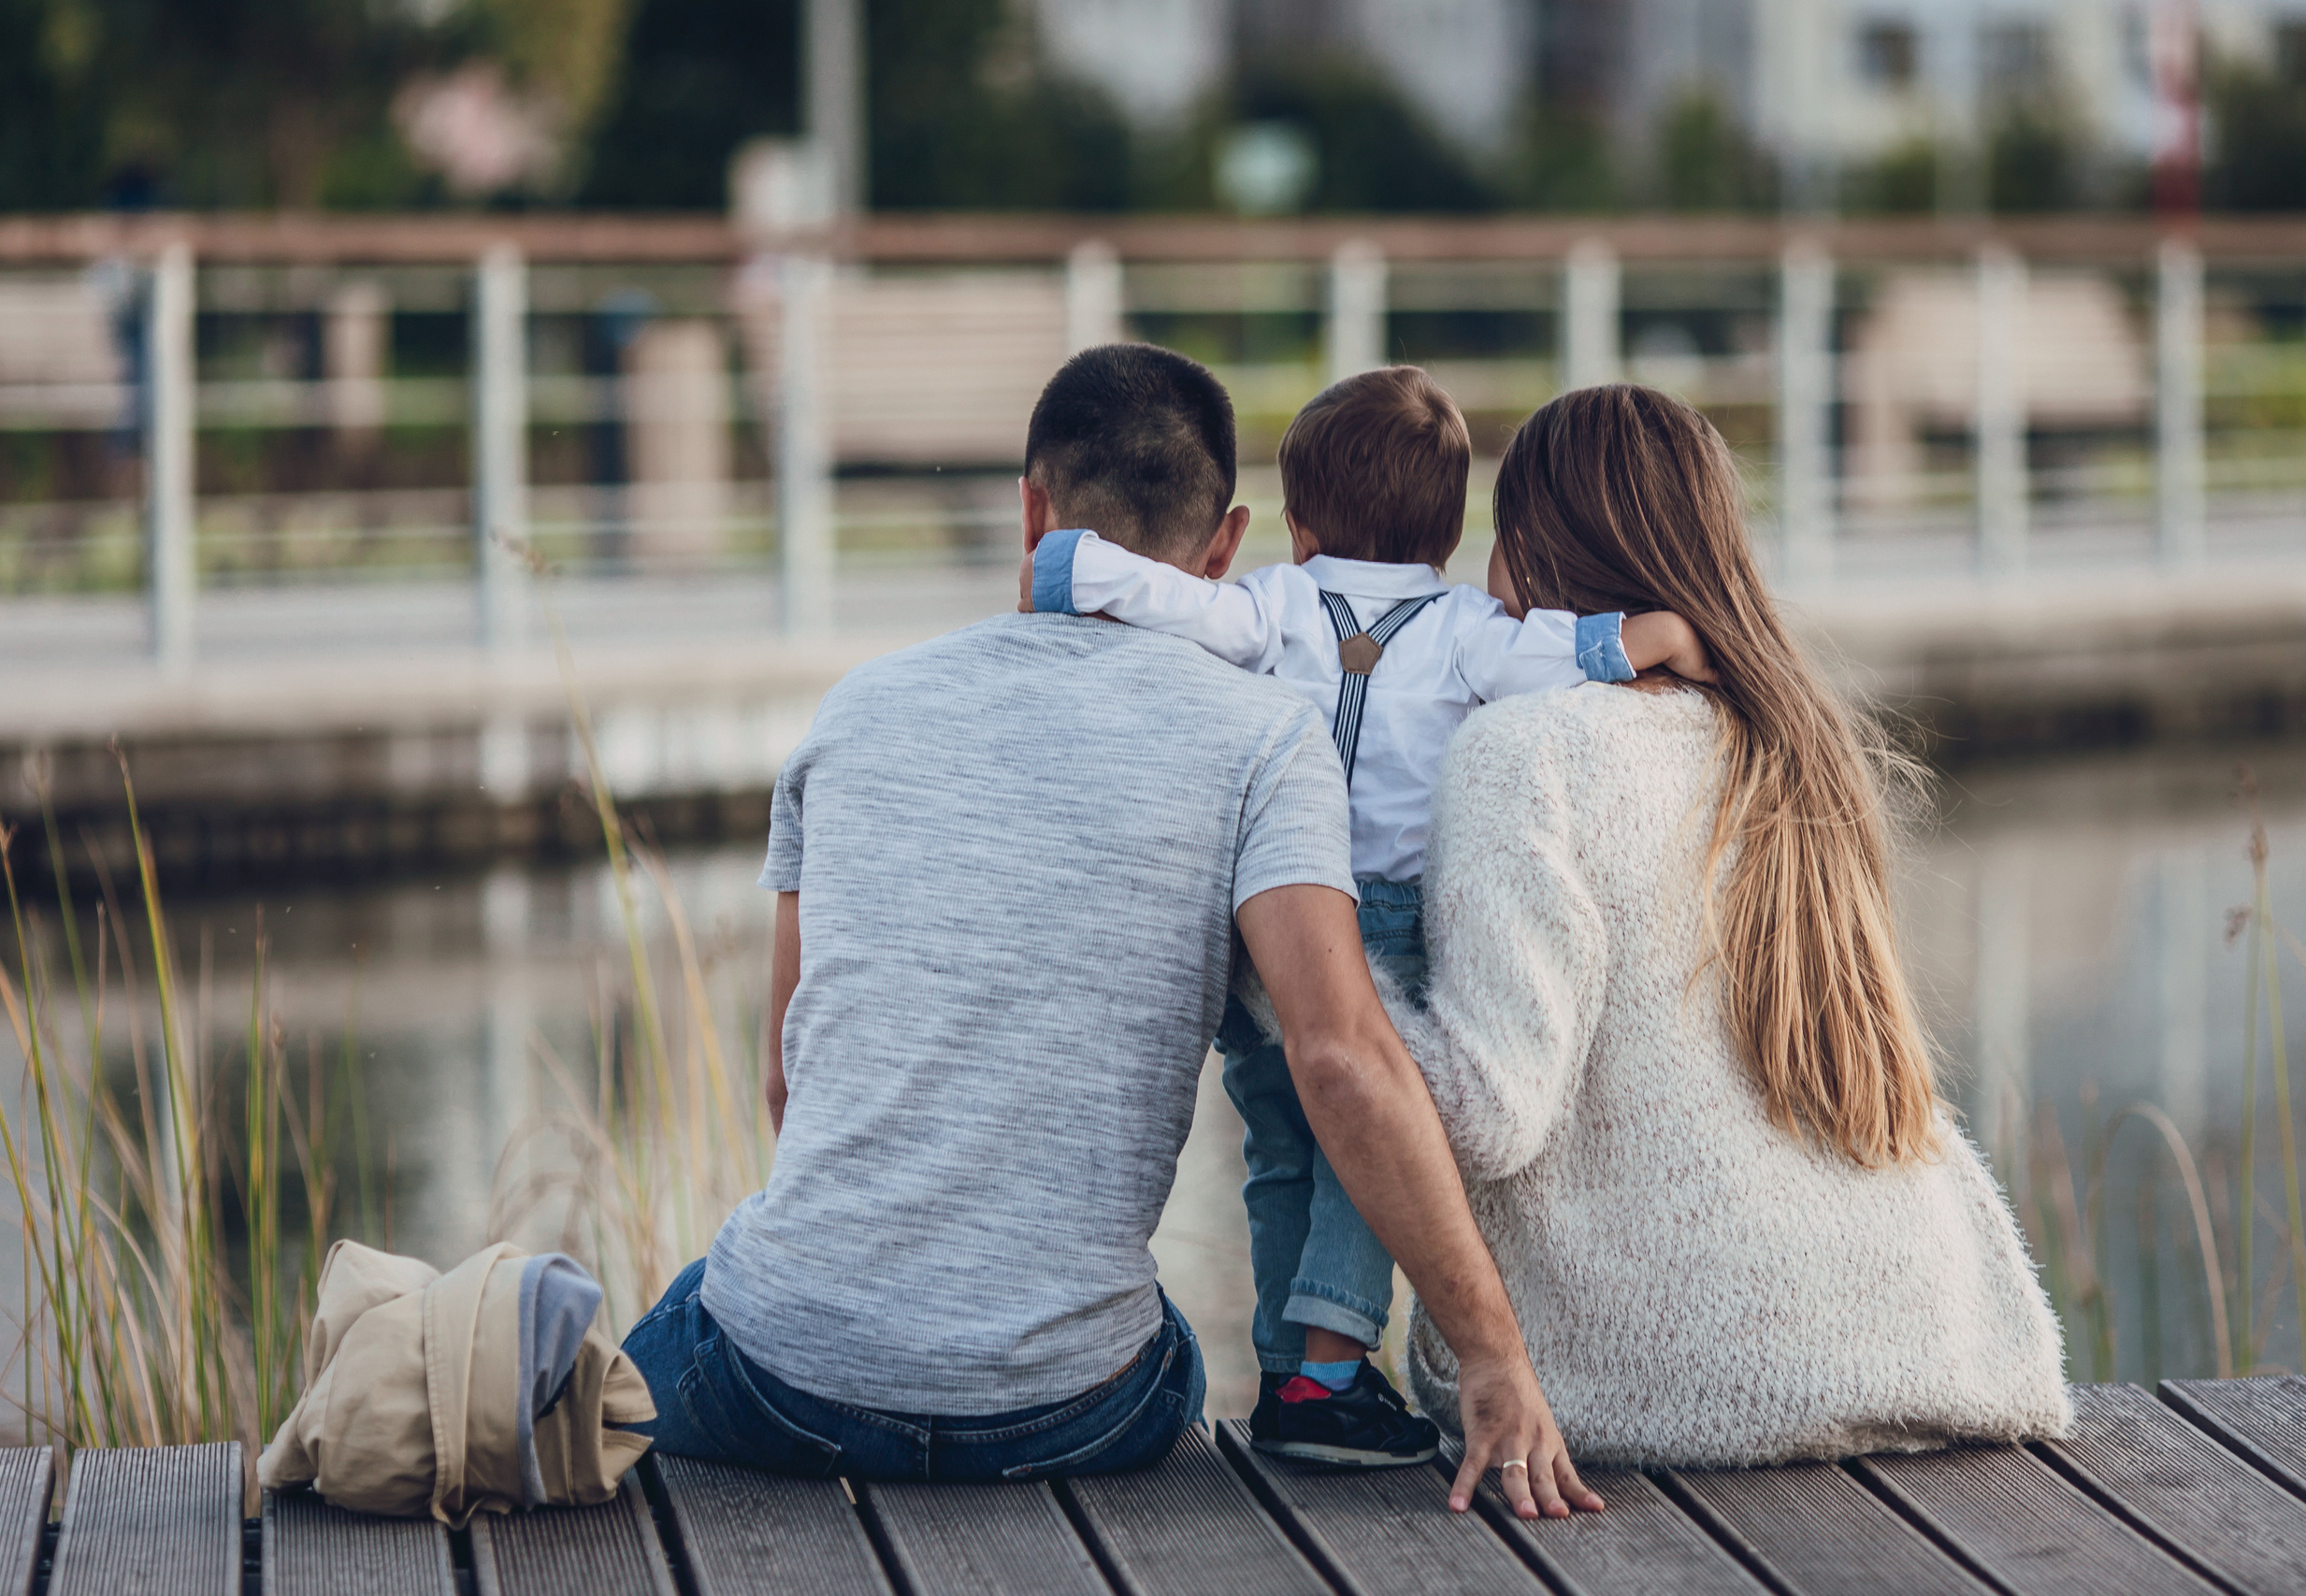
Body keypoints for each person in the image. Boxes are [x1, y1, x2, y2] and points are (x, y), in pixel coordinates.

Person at [620, 342, 1599, 1518]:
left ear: (1031, 509)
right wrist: (1492, 1357)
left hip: (778, 1385)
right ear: (1227, 543)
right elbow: (1338, 1056)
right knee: (1170, 1335)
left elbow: (788, 1081)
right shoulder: (1261, 739)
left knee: (681, 1316)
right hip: (1068, 1408)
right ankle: (1319, 1372)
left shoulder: (857, 708)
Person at [1371, 382, 2073, 1466]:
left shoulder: (1525, 752)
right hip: (1933, 1350)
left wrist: (1315, 961)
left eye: (1497, 541)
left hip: (1661, 1385)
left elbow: (1483, 1115)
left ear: (1531, 548)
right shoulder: (1792, 737)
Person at [1021, 366, 1708, 1468]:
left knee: (1281, 1148)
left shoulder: (1266, 606)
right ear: (1449, 526)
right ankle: (1332, 1373)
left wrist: (1060, 564)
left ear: (1296, 523)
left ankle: (1288, 1378)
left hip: (1264, 924)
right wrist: (1669, 638)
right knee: (1372, 1142)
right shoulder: (1470, 629)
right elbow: (1576, 653)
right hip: (1386, 925)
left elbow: (1151, 594)